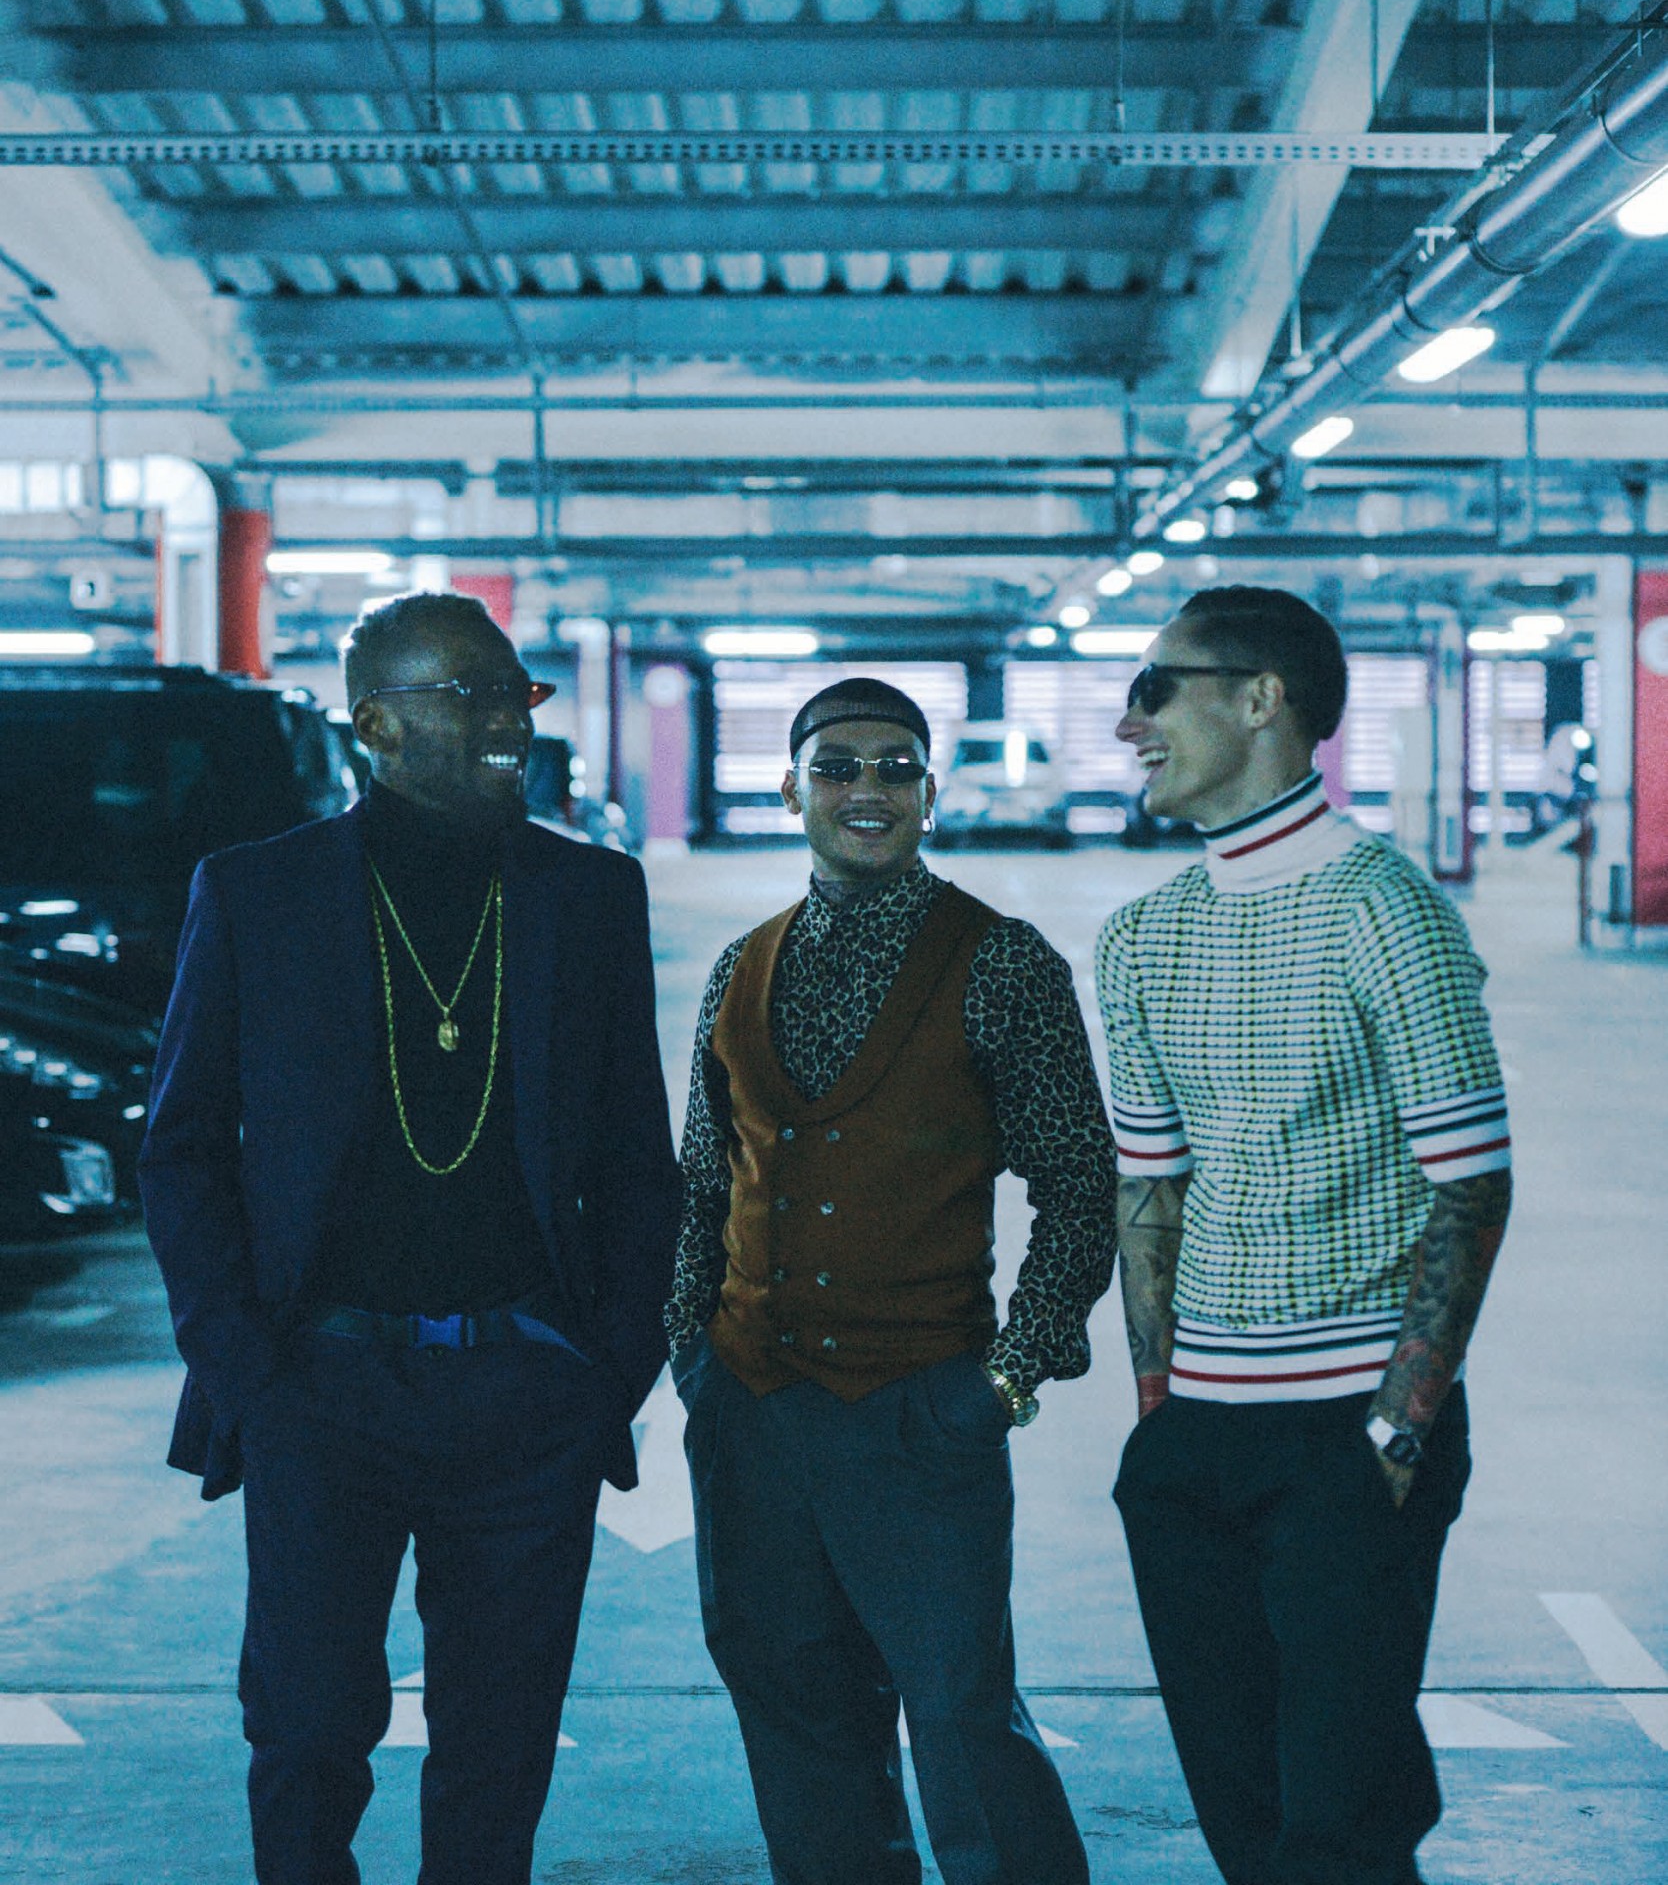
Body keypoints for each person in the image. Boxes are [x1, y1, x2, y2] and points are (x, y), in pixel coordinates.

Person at [140, 591, 680, 1885]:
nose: (512, 721)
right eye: (472, 695)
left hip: (528, 1390)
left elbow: (634, 1156)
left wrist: (608, 1368)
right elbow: (183, 1146)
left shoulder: (588, 893)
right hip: (319, 1386)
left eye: (518, 694)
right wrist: (246, 1371)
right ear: (376, 723)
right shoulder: (258, 894)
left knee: (500, 1743)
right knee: (307, 1728)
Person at [668, 676, 1117, 1885]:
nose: (866, 788)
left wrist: (1009, 1375)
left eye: (895, 766)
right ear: (791, 789)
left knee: (963, 1716)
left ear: (929, 792)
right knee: (792, 1701)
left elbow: (1080, 1180)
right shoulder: (740, 966)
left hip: (920, 1407)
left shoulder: (1001, 962)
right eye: (837, 765)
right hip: (752, 1407)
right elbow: (703, 1182)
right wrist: (694, 1357)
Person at [1097, 586, 1513, 1885]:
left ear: (1260, 698)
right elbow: (1150, 1192)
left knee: (1341, 1830)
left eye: (1156, 688)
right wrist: (1162, 1412)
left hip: (1350, 1436)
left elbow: (1471, 1186)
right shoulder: (1141, 936)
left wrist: (1397, 1430)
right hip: (1196, 1445)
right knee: (1251, 1824)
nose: (1129, 723)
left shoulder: (1386, 909)